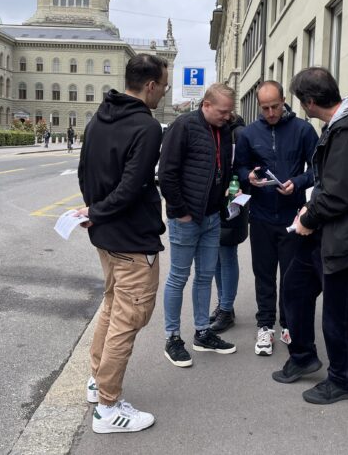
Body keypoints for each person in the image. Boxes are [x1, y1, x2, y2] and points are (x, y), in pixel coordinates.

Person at [277, 67, 348, 405]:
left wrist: (308, 217)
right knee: (294, 290)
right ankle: (304, 356)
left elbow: (338, 194)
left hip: (347, 238)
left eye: (300, 101)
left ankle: (341, 380)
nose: (300, 108)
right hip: (327, 232)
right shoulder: (339, 127)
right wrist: (308, 214)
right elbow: (330, 184)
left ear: (310, 102)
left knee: (336, 312)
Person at [76, 53, 170, 433]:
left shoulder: (98, 118)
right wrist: (99, 212)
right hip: (133, 240)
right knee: (128, 320)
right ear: (149, 85)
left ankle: (98, 381)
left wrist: (95, 211)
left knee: (113, 307)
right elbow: (131, 189)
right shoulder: (147, 128)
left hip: (106, 238)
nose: (164, 92)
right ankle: (108, 408)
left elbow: (85, 175)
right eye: (163, 85)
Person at [233, 81, 318, 355]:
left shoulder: (303, 130)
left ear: (284, 100)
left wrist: (298, 181)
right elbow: (241, 168)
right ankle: (265, 326)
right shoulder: (248, 133)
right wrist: (250, 177)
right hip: (260, 215)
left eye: (275, 106)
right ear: (259, 105)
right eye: (265, 107)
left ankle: (289, 325)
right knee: (264, 273)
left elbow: (318, 169)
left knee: (292, 275)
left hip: (293, 217)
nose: (270, 112)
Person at [158, 82, 237, 367]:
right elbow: (166, 172)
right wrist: (180, 211)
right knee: (178, 278)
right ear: (205, 105)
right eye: (222, 111)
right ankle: (172, 338)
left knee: (204, 277)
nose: (227, 116)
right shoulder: (183, 126)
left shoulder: (224, 130)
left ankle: (202, 333)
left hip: (212, 217)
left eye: (229, 112)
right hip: (186, 219)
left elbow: (223, 168)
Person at [209, 113, 248, 333]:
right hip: (217, 204)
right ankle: (224, 306)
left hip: (233, 202)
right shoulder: (218, 130)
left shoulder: (238, 133)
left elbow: (248, 168)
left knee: (227, 255)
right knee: (216, 257)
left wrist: (239, 184)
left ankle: (226, 308)